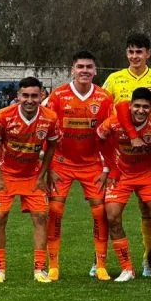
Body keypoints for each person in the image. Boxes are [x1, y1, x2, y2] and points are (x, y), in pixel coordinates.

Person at [43, 51, 114, 281]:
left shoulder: (104, 98)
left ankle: (101, 264)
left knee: (100, 212)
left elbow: (110, 136)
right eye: (80, 66)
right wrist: (48, 166)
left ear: (95, 71)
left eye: (89, 67)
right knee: (54, 211)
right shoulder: (57, 96)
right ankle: (53, 264)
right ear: (72, 69)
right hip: (61, 163)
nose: (85, 70)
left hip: (93, 164)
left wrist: (106, 168)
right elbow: (44, 129)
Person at [96, 88, 151, 282]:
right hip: (122, 175)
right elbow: (98, 139)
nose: (140, 110)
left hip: (148, 175)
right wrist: (111, 167)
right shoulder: (115, 123)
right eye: (137, 106)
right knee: (112, 216)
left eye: (145, 107)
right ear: (131, 106)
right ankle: (127, 269)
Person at [102, 32, 151, 276]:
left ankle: (149, 260)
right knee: (108, 212)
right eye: (131, 51)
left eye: (139, 52)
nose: (134, 56)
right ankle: (102, 261)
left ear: (148, 53)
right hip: (120, 159)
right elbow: (106, 114)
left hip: (150, 158)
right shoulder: (114, 80)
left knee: (150, 211)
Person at [0, 77, 60, 284]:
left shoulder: (50, 118)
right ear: (18, 96)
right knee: (0, 217)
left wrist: (42, 176)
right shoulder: (3, 116)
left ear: (42, 96)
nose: (29, 100)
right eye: (25, 95)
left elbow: (52, 146)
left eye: (34, 96)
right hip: (6, 175)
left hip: (32, 177)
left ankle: (39, 270)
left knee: (40, 218)